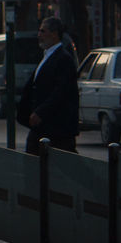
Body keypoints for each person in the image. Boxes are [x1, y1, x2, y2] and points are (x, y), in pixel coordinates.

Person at [18, 16, 79, 155]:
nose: (39, 35)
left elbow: (61, 91)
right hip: (43, 126)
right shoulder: (47, 56)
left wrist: (41, 112)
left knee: (63, 162)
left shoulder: (63, 58)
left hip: (57, 126)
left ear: (54, 34)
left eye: (42, 31)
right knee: (34, 159)